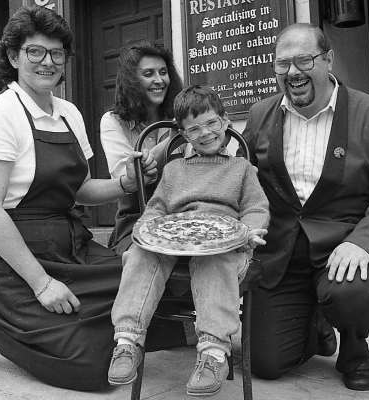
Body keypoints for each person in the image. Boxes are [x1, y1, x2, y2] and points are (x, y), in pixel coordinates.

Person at [0, 6, 179, 391]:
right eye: (35, 52)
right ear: (13, 57)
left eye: (57, 53)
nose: (48, 62)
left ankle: (14, 313)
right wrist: (42, 284)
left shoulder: (68, 113)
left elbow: (81, 189)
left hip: (71, 245)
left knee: (143, 278)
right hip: (20, 255)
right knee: (93, 366)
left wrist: (126, 182)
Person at [241, 23, 369, 391]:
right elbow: (243, 175)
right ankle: (315, 324)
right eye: (282, 64)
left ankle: (354, 347)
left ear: (328, 60)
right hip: (282, 254)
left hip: (342, 247)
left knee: (352, 295)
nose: (293, 72)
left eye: (304, 60)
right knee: (265, 363)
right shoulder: (260, 115)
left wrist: (363, 242)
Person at [107, 85, 270, 397]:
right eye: (194, 129)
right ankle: (127, 341)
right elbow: (156, 209)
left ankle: (213, 352)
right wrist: (146, 229)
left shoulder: (241, 169)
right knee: (140, 254)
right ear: (182, 134)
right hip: (175, 239)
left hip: (225, 245)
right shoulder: (174, 170)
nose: (205, 133)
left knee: (214, 260)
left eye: (211, 123)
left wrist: (250, 230)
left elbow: (255, 208)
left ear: (225, 121)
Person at [100, 41, 183, 256]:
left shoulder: (182, 114)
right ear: (132, 80)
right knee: (145, 256)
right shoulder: (113, 121)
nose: (159, 80)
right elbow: (125, 174)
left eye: (163, 72)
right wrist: (176, 137)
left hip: (184, 215)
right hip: (136, 219)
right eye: (148, 74)